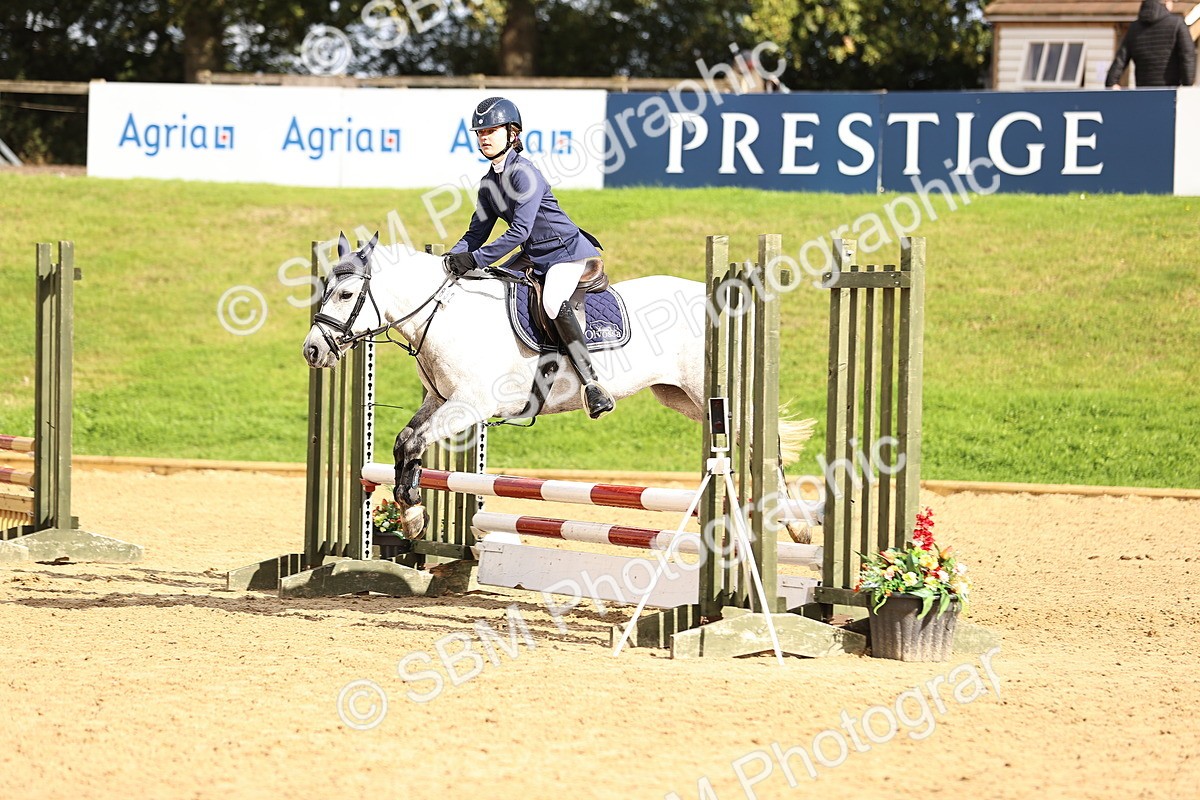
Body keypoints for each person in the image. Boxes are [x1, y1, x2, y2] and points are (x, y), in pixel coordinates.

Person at [443, 97, 615, 419]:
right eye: (480, 132)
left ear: (512, 133)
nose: (484, 137)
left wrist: (476, 259)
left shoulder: (525, 174)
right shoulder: (489, 183)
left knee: (551, 301)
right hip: (535, 256)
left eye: (491, 130)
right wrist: (449, 261)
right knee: (491, 286)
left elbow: (519, 231)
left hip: (564, 252)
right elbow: (475, 235)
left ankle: (592, 385)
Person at [1105, 0, 1196, 88]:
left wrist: (1111, 82)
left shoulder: (1134, 28)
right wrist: (1187, 86)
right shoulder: (1177, 24)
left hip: (1143, 92)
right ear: (1166, 2)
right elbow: (1188, 56)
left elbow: (1120, 59)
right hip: (1171, 92)